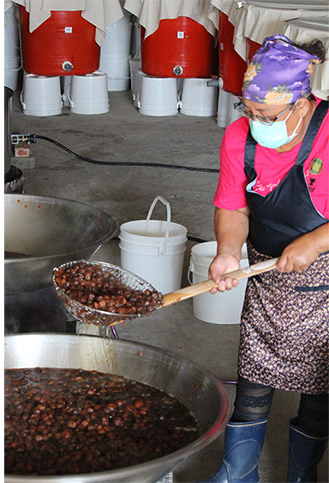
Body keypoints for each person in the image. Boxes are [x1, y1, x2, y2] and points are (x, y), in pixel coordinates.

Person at [207, 35, 327, 483]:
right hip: (266, 275)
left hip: (326, 285)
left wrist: (316, 242)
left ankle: (304, 473)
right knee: (254, 375)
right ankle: (237, 473)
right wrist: (226, 253)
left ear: (301, 103)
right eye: (249, 110)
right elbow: (233, 206)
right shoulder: (241, 136)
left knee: (320, 383)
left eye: (267, 115)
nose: (256, 122)